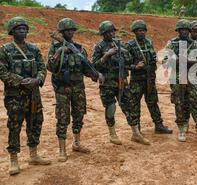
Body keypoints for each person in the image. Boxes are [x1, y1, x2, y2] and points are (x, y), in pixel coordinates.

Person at [47, 18, 104, 162]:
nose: (70, 32)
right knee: (62, 117)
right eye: (67, 30)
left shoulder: (78, 48)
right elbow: (50, 67)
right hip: (62, 89)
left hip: (78, 87)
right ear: (61, 32)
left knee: (79, 114)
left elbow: (86, 66)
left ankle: (76, 143)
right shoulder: (54, 47)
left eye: (72, 30)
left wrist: (96, 75)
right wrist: (59, 51)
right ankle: (62, 150)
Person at [0, 17, 51, 175]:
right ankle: (14, 159)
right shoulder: (5, 50)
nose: (22, 31)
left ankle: (33, 154)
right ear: (12, 32)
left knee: (35, 122)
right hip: (15, 96)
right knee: (15, 125)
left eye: (24, 29)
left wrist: (37, 79)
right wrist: (21, 81)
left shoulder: (34, 49)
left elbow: (43, 68)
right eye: (18, 29)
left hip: (33, 94)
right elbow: (2, 71)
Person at [92, 21, 150, 146]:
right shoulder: (99, 47)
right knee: (110, 108)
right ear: (103, 34)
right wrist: (107, 55)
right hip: (107, 83)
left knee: (129, 107)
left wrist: (123, 52)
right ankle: (112, 134)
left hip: (122, 82)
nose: (111, 34)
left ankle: (136, 133)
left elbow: (129, 63)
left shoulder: (120, 45)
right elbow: (94, 66)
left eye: (112, 31)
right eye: (108, 32)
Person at [163, 19, 197, 143]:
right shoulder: (172, 43)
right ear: (178, 31)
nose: (184, 32)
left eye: (186, 30)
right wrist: (177, 61)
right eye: (182, 30)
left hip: (191, 78)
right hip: (177, 78)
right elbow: (164, 61)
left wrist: (187, 62)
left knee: (196, 103)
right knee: (179, 104)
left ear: (189, 31)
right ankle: (182, 129)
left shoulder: (194, 44)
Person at [125, 20, 172, 135]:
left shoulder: (149, 42)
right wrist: (135, 66)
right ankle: (137, 129)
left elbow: (153, 57)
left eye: (143, 30)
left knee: (153, 102)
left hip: (150, 78)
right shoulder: (130, 45)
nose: (141, 33)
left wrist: (159, 60)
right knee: (134, 104)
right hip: (137, 80)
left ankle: (159, 125)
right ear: (135, 32)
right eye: (139, 31)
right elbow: (125, 64)